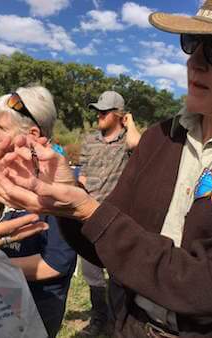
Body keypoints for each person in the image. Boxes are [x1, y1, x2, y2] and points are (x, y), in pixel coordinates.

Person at [0, 1, 212, 337]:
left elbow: (211, 285)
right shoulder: (160, 137)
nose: (193, 60)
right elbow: (105, 245)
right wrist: (69, 195)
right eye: (191, 43)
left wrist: (90, 212)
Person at [0, 86, 77, 338]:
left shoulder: (61, 185)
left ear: (31, 134)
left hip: (36, 303)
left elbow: (54, 265)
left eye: (2, 128)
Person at [78, 91, 141, 336]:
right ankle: (98, 320)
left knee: (117, 274)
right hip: (87, 215)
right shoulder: (89, 140)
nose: (99, 115)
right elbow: (82, 172)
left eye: (104, 112)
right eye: (98, 111)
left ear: (119, 115)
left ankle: (118, 324)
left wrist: (131, 123)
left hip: (116, 217)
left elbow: (138, 145)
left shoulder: (128, 141)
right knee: (92, 274)